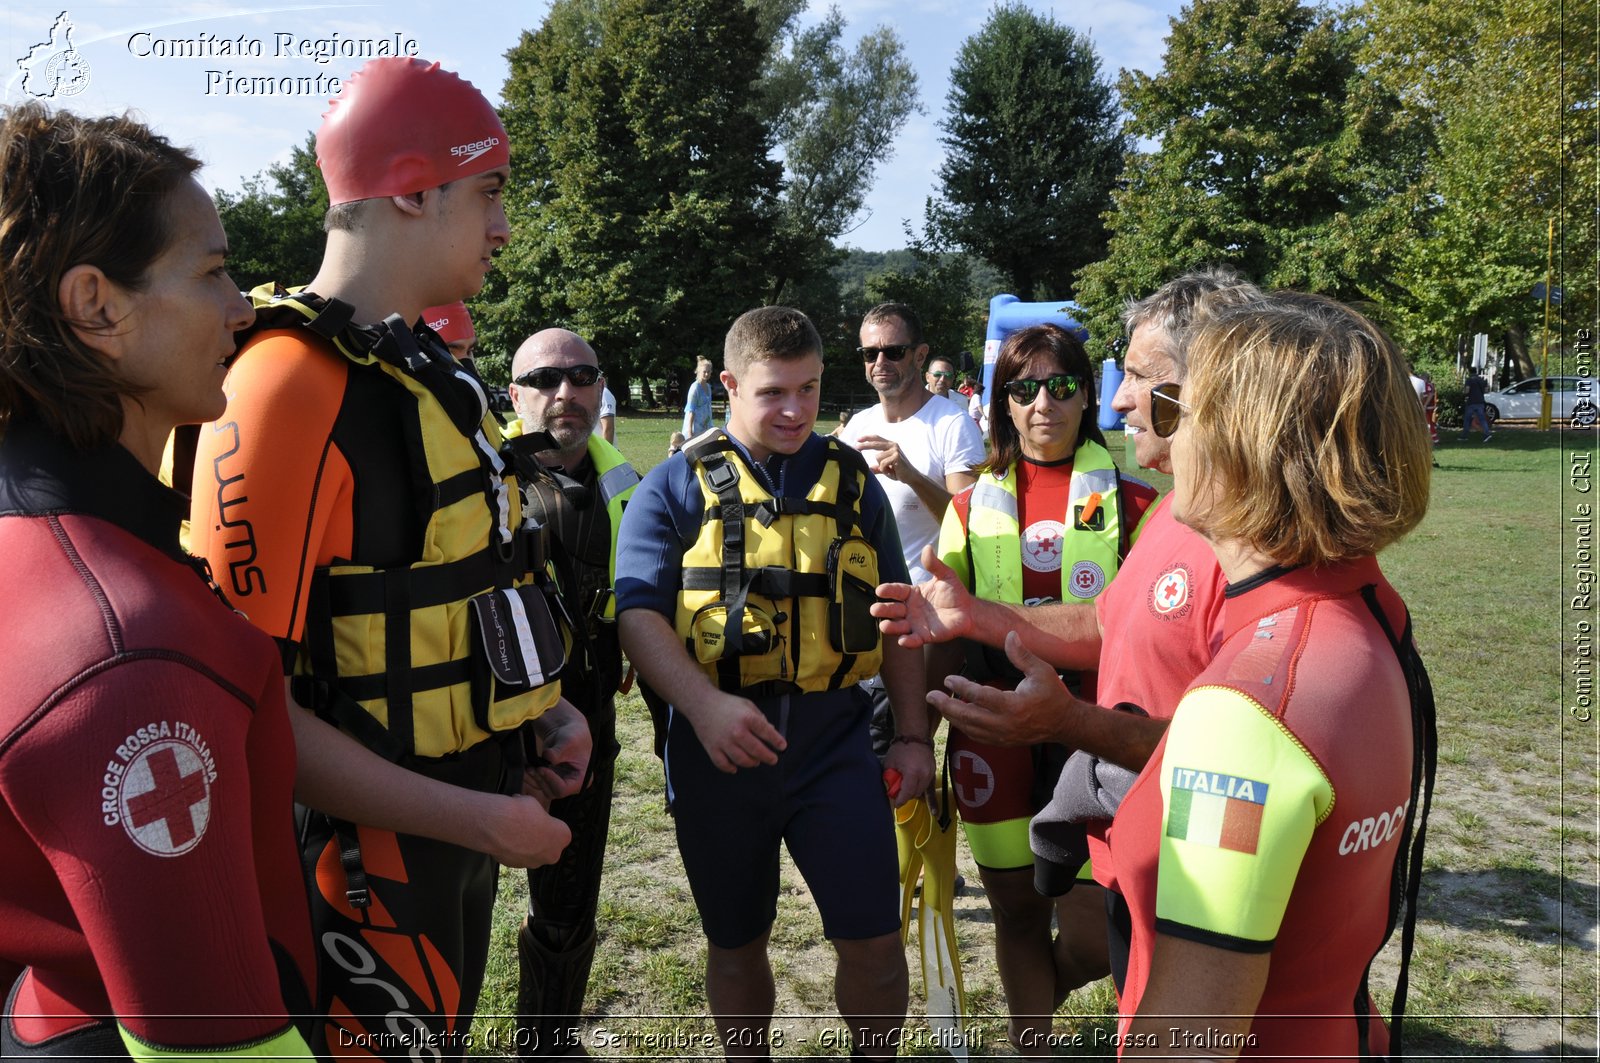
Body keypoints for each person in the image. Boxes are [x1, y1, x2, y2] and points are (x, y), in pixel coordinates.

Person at [188, 58, 588, 1059]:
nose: (504, 224)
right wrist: (476, 818)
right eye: (489, 189)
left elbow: (466, 581)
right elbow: (242, 708)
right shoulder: (280, 388)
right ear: (413, 188)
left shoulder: (426, 370)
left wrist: (545, 710)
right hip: (354, 864)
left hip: (463, 822)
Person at [0, 103, 314, 1059]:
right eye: (213, 270)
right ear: (96, 304)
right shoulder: (125, 648)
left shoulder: (46, 540)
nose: (244, 308)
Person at [1102, 292, 1432, 1056]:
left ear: (1245, 447)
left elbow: (1190, 1033)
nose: (1162, 428)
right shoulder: (1365, 608)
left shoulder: (1249, 708)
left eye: (1183, 408)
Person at [616, 306, 935, 1061]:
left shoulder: (855, 485)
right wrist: (703, 707)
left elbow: (894, 617)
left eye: (810, 389)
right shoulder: (673, 485)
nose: (795, 410)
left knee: (876, 945)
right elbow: (636, 615)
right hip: (720, 751)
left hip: (835, 744)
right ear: (728, 384)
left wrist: (916, 736)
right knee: (736, 943)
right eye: (772, 392)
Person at [929, 325, 1158, 1057]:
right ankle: (1032, 1042)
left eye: (1062, 385)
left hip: (1095, 732)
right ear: (1002, 403)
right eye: (1023, 389)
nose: (1042, 404)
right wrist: (907, 733)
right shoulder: (966, 510)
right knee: (1018, 916)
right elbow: (935, 631)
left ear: (1089, 394)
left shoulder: (1140, 504)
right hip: (991, 732)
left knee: (1094, 932)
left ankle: (1047, 990)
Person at [504, 329, 640, 1057]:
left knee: (568, 901)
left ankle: (547, 1045)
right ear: (516, 391)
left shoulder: (626, 482)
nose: (566, 391)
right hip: (478, 721)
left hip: (587, 708)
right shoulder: (472, 473)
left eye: (582, 375)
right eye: (547, 377)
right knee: (455, 898)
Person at [683, 356, 715, 437]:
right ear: (698, 371)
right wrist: (690, 433)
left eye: (709, 371)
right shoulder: (695, 388)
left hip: (706, 428)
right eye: (704, 371)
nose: (707, 374)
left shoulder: (708, 387)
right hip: (695, 429)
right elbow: (691, 410)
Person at [1460, 364, 1492, 441]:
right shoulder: (1481, 379)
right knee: (1482, 419)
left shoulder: (1469, 380)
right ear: (1476, 372)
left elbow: (1467, 390)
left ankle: (1464, 435)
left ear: (1469, 372)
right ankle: (1487, 434)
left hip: (1471, 402)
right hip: (1480, 401)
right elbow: (1486, 390)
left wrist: (1463, 393)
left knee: (1467, 419)